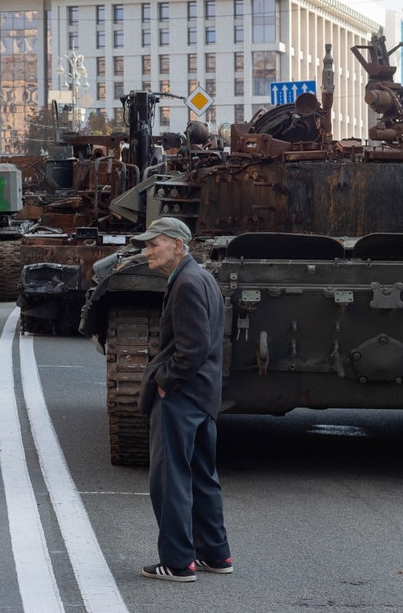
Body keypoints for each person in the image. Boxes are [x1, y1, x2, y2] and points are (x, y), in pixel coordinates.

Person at [134, 217, 231, 583]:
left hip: (183, 395)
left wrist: (165, 382)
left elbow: (192, 349)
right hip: (204, 395)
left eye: (153, 244)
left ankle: (177, 563)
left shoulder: (187, 283)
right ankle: (215, 555)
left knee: (170, 480)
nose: (147, 253)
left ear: (177, 245)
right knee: (203, 477)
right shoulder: (201, 276)